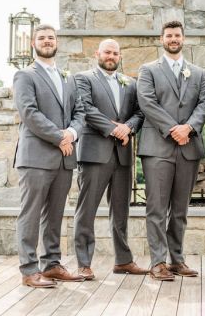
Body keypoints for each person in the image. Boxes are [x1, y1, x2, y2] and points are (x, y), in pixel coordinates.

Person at [136, 20, 205, 281]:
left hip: (188, 148)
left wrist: (188, 128)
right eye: (169, 35)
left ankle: (176, 259)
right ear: (161, 39)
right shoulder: (148, 70)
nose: (173, 39)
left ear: (183, 38)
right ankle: (158, 262)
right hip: (158, 147)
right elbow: (146, 102)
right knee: (156, 208)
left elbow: (204, 104)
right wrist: (173, 128)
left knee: (180, 209)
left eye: (177, 35)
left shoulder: (199, 73)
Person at [13, 24, 85, 288]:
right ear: (33, 43)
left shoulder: (68, 77)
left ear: (57, 42)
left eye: (50, 37)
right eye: (41, 38)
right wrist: (59, 137)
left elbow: (80, 113)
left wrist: (72, 134)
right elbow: (29, 114)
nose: (46, 41)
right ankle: (29, 269)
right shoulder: (25, 75)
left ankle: (52, 264)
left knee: (55, 214)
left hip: (64, 159)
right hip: (36, 157)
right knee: (30, 214)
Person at [73, 39, 147, 280]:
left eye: (116, 52)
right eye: (107, 51)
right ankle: (83, 263)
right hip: (94, 153)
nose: (111, 56)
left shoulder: (131, 83)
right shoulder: (84, 78)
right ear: (98, 53)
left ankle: (123, 260)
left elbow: (140, 113)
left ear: (119, 56)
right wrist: (114, 129)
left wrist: (128, 128)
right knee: (87, 211)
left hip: (123, 155)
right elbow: (85, 109)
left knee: (121, 210)